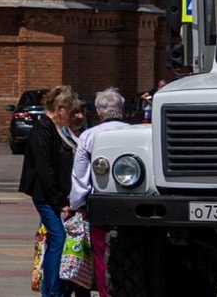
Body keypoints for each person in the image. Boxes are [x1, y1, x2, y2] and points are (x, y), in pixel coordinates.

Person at [21, 86, 79, 297]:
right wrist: (59, 200)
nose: (71, 117)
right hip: (45, 196)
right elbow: (45, 168)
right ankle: (53, 291)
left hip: (53, 196)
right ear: (60, 108)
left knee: (58, 239)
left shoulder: (54, 129)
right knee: (58, 238)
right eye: (70, 112)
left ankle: (52, 289)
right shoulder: (42, 129)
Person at [67, 88, 126, 294]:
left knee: (101, 254)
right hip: (132, 202)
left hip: (100, 203)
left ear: (99, 113)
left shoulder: (89, 136)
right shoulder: (134, 132)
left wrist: (76, 205)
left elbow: (80, 176)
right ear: (122, 110)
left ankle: (105, 292)